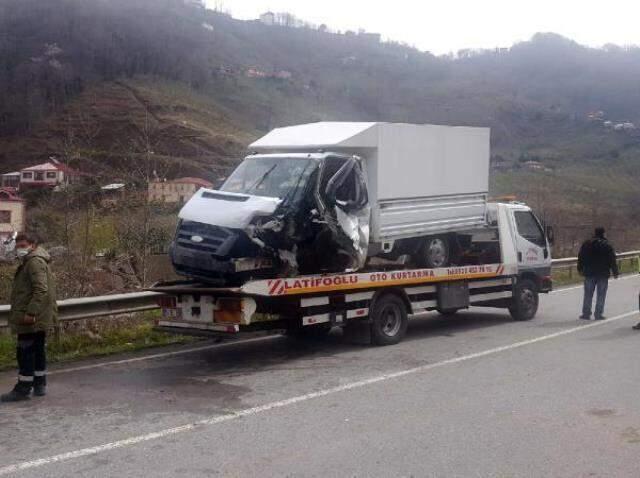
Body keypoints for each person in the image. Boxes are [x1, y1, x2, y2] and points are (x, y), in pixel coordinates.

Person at [1, 233, 57, 402]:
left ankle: (23, 388)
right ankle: (39, 384)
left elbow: (41, 289)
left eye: (23, 245)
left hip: (31, 317)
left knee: (25, 352)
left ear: (33, 245)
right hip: (38, 315)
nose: (20, 249)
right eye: (18, 246)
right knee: (37, 349)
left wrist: (30, 313)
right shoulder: (36, 260)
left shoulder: (33, 262)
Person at [577, 227, 618, 321]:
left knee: (588, 294)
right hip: (603, 273)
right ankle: (598, 314)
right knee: (601, 294)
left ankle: (586, 313)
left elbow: (581, 257)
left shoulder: (587, 244)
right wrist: (615, 272)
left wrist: (579, 268)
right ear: (603, 234)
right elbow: (612, 260)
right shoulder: (607, 245)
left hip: (589, 273)